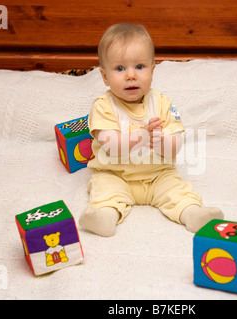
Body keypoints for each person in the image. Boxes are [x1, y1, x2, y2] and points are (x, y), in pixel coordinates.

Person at [79, 23, 223, 237]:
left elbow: (175, 146)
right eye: (120, 68)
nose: (130, 75)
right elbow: (111, 147)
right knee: (105, 190)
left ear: (152, 70)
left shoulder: (163, 103)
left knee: (177, 190)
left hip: (157, 175)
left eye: (139, 66)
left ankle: (191, 213)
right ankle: (105, 216)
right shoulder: (103, 106)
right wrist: (141, 136)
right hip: (116, 174)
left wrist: (162, 141)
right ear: (104, 76)